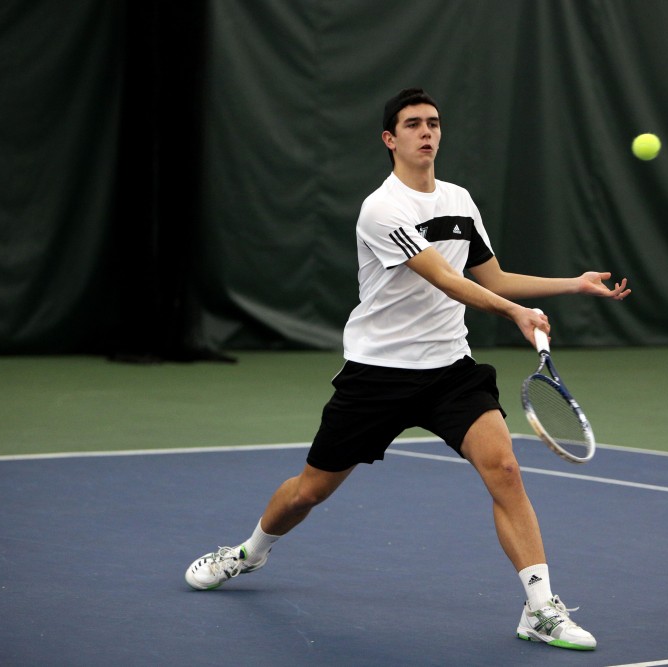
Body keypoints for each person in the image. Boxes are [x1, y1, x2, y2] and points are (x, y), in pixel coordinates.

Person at [185, 88, 631, 651]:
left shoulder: (460, 200)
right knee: (308, 492)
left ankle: (539, 608)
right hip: (378, 376)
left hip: (449, 370)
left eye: (434, 123)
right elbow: (445, 279)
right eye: (414, 124)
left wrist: (573, 284)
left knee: (506, 471)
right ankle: (248, 553)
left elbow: (491, 279)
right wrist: (517, 314)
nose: (427, 132)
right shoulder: (382, 209)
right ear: (390, 139)